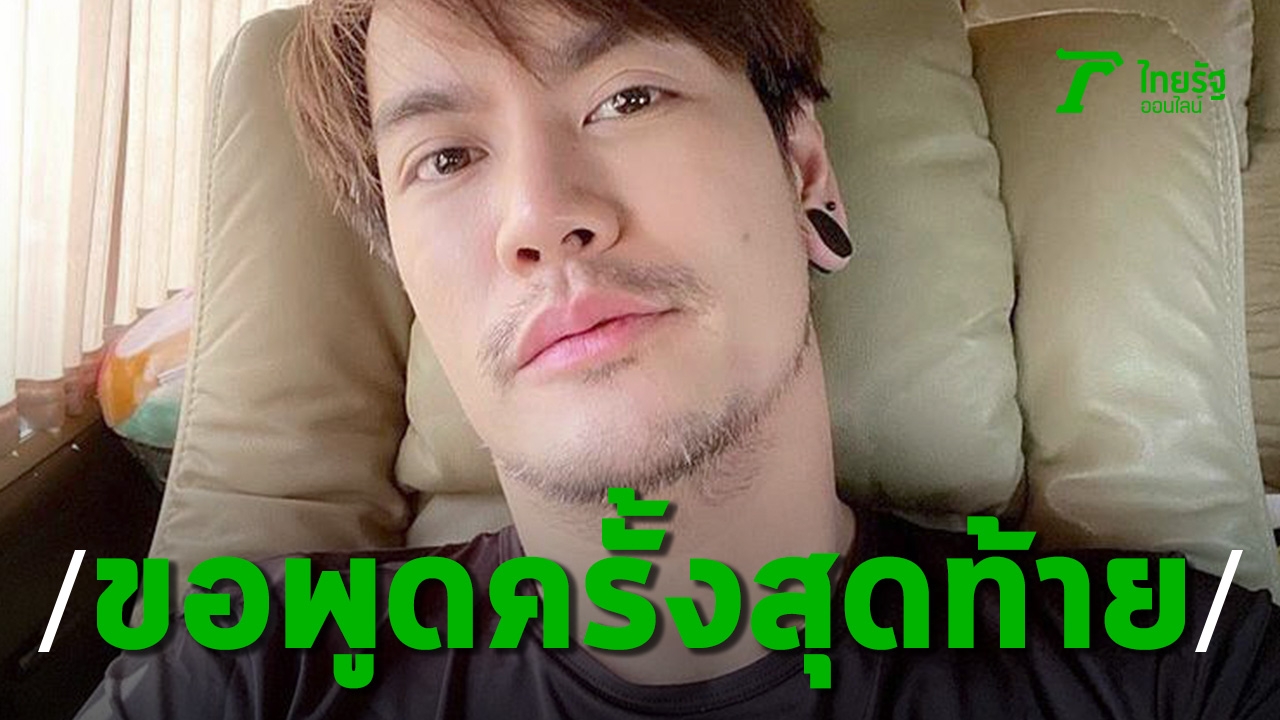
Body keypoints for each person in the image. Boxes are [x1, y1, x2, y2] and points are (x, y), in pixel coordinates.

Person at [76, 0, 1280, 717]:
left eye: (627, 97)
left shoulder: (1173, 670)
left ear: (802, 171)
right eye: (445, 158)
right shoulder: (243, 678)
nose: (541, 216)